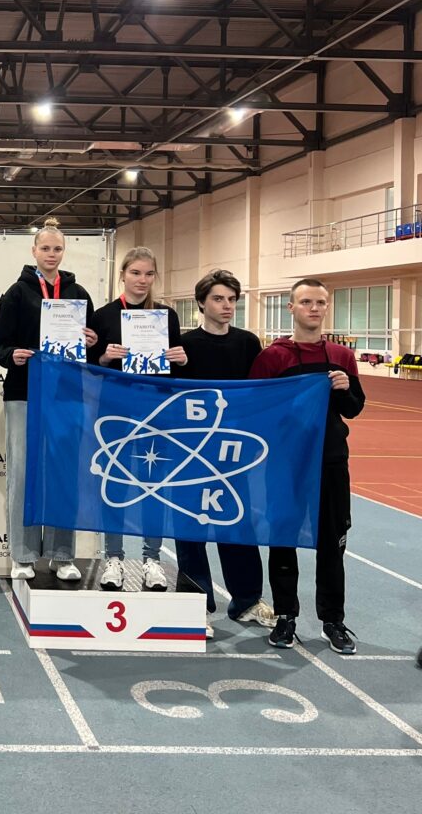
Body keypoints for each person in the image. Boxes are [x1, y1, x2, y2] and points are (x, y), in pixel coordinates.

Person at [250, 278, 365, 654]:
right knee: (284, 540)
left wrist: (345, 388)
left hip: (331, 462)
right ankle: (285, 616)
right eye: (306, 302)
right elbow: (257, 409)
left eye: (320, 302)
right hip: (286, 465)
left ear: (326, 307)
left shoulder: (342, 357)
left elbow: (354, 408)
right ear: (291, 308)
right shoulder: (273, 357)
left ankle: (333, 620)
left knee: (332, 544)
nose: (314, 308)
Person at [0, 217, 97, 582]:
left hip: (66, 395)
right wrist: (12, 355)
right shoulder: (16, 293)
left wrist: (92, 341)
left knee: (63, 475)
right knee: (22, 475)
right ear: (34, 251)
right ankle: (22, 555)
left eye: (57, 249)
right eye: (45, 248)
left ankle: (62, 554)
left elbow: (90, 349)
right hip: (23, 392)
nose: (52, 254)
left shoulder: (79, 294)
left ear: (64, 252)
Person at [175, 270, 276, 636]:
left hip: (235, 452)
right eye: (219, 299)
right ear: (201, 303)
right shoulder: (183, 346)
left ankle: (246, 601)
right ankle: (195, 605)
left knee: (238, 524)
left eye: (232, 299)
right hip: (192, 453)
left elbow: (262, 393)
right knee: (191, 528)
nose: (227, 306)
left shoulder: (248, 343)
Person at [88, 246, 187, 591]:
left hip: (155, 412)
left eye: (148, 274)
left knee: (152, 485)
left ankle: (152, 559)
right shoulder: (102, 316)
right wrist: (104, 357)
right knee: (115, 483)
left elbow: (175, 368)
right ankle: (113, 557)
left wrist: (181, 358)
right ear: (123, 275)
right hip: (115, 411)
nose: (142, 280)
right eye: (135, 273)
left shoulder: (166, 316)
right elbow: (88, 366)